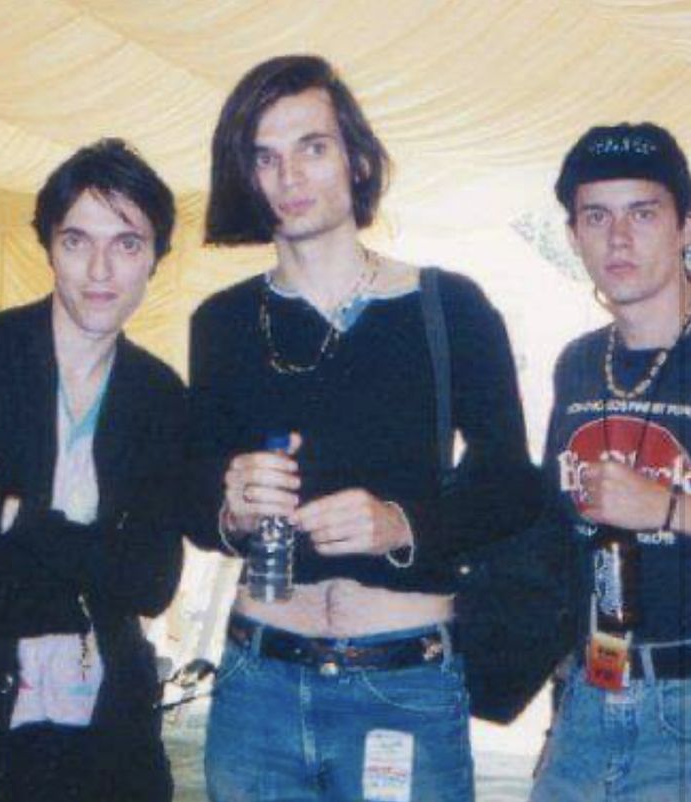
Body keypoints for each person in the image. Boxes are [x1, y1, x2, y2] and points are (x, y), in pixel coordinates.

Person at [188, 54, 541, 802]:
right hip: (257, 685)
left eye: (311, 147)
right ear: (244, 177)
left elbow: (511, 487)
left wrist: (400, 524)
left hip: (403, 686)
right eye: (265, 157)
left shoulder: (450, 309)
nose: (290, 177)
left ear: (353, 157)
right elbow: (192, 505)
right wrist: (229, 507)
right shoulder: (219, 324)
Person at [0, 138, 185, 802]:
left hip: (106, 727)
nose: (99, 270)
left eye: (127, 244)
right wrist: (87, 572)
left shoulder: (159, 395)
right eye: (77, 241)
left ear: (155, 260)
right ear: (48, 247)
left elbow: (151, 580)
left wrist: (16, 517)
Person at [530, 122, 691, 801]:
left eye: (642, 213)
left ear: (684, 226)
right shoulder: (575, 362)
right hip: (589, 696)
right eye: (596, 216)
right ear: (572, 237)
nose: (617, 239)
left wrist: (664, 507)